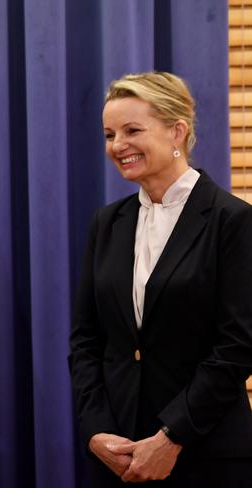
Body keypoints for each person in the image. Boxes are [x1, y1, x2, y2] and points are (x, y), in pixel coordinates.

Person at [69, 71, 252, 486]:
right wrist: (96, 430)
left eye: (132, 130)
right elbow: (86, 340)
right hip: (117, 456)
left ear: (177, 131)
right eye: (109, 134)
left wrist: (171, 436)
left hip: (207, 453)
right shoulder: (107, 222)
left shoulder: (233, 220)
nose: (118, 146)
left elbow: (238, 346)